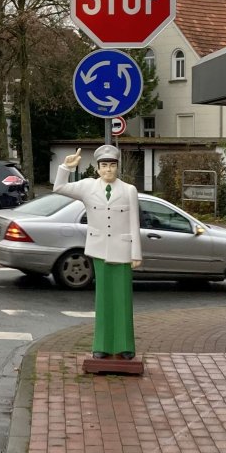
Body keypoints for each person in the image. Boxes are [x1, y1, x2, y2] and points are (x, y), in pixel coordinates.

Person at [54, 144, 142, 359]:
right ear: (97, 168)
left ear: (117, 167)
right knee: (103, 300)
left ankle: (125, 346)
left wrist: (136, 253)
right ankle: (101, 345)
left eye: (112, 166)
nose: (108, 170)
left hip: (122, 250)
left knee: (122, 299)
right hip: (99, 249)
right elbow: (59, 187)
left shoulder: (128, 190)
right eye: (104, 166)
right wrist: (66, 167)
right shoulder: (88, 187)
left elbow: (134, 223)